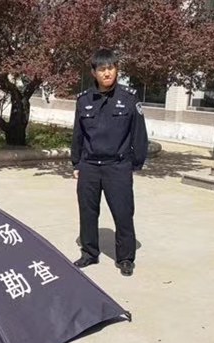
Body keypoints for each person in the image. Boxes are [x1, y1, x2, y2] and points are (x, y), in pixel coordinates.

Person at [71, 48, 148, 277]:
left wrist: (134, 164)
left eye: (111, 68)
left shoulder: (129, 98)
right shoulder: (84, 100)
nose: (107, 73)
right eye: (102, 69)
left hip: (118, 166)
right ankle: (89, 253)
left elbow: (139, 135)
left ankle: (125, 258)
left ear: (117, 70)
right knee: (87, 212)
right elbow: (78, 135)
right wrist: (76, 164)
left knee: (123, 213)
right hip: (89, 167)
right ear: (93, 72)